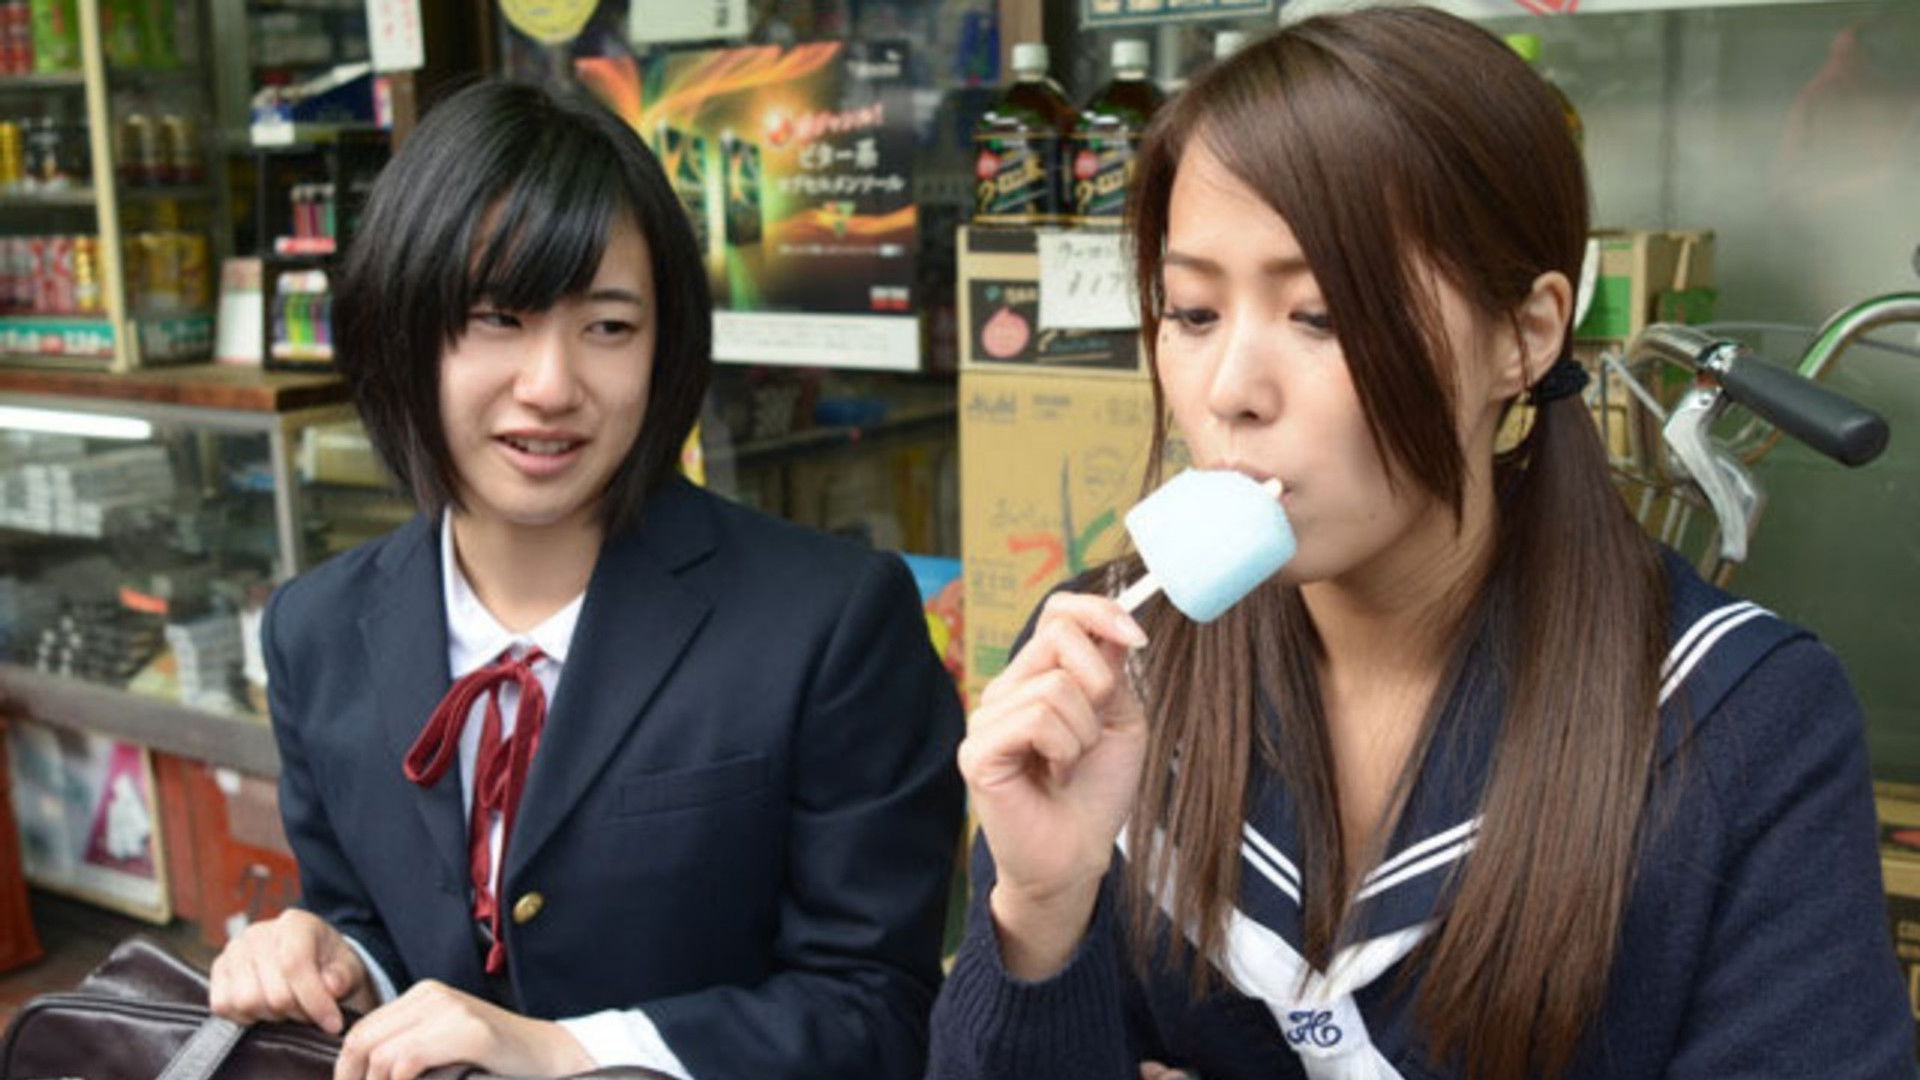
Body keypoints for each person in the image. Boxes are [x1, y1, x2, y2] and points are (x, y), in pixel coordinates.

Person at [929, 9, 1911, 1080]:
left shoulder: (1739, 719)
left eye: (1323, 315)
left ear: (1524, 335)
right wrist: (1040, 906)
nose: (1230, 391)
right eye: (1194, 312)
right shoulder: (1113, 669)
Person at [205, 80, 966, 1080]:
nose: (552, 385)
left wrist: (568, 1052)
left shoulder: (829, 623)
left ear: (665, 345)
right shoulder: (318, 629)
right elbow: (374, 920)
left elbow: (877, 1010)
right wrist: (335, 960)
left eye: (608, 327)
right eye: (496, 318)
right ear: (399, 331)